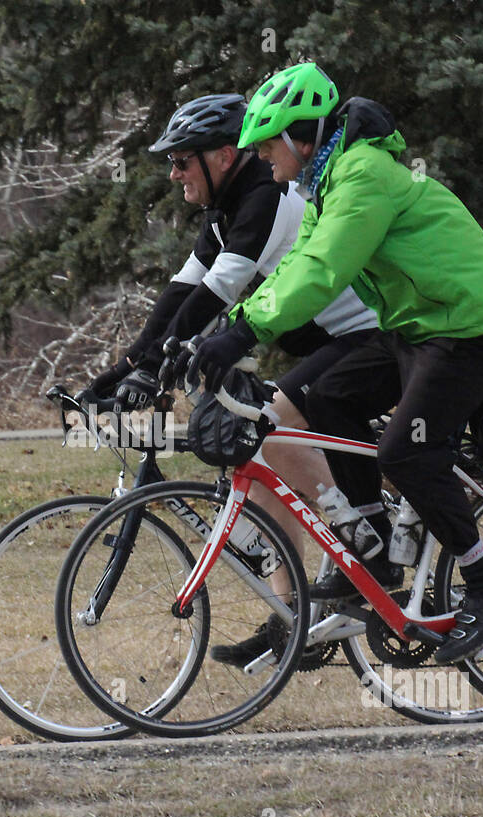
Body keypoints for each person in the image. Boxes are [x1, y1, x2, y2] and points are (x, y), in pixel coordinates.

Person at [186, 63, 483, 665]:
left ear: (302, 137)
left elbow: (325, 270)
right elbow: (301, 266)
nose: (264, 157)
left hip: (472, 325)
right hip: (417, 325)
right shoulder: (325, 182)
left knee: (407, 452)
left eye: (269, 145)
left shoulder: (364, 176)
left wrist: (242, 328)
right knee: (324, 401)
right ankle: (368, 554)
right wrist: (238, 327)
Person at [87, 93, 384, 665]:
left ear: (223, 156)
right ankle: (294, 622)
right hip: (323, 348)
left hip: (361, 343)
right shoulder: (226, 210)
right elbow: (181, 290)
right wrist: (127, 367)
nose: (174, 175)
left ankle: (355, 529)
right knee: (265, 466)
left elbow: (217, 292)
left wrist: (163, 366)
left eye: (181, 161)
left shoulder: (268, 199)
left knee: (265, 432)